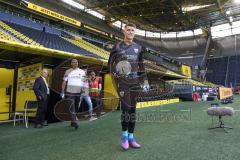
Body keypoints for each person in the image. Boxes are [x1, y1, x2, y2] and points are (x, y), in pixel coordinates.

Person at [108, 23, 149, 150]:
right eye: (128, 30)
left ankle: (131, 137)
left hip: (135, 83)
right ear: (124, 31)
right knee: (126, 109)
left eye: (132, 30)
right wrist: (116, 70)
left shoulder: (139, 48)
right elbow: (110, 64)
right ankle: (124, 136)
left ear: (134, 33)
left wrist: (145, 81)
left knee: (133, 111)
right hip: (123, 83)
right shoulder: (117, 47)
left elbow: (141, 66)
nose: (130, 32)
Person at [61, 58, 86, 129]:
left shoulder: (82, 72)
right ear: (71, 64)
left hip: (78, 92)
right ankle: (74, 122)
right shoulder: (67, 71)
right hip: (69, 92)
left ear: (78, 63)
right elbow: (64, 82)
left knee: (76, 106)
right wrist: (62, 91)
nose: (75, 63)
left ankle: (72, 121)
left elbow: (84, 81)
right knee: (72, 106)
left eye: (76, 62)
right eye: (73, 62)